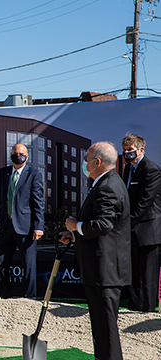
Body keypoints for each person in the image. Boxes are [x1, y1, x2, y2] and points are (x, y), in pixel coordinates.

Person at [64, 142, 131, 360]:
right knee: (101, 330)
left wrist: (77, 226)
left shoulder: (108, 186)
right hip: (101, 270)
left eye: (86, 159)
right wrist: (74, 235)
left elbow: (103, 225)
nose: (84, 163)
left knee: (106, 330)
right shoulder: (105, 183)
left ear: (97, 162)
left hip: (105, 271)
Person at [0, 143, 44, 299]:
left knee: (29, 266)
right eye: (15, 153)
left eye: (21, 153)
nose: (18, 156)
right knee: (1, 263)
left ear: (27, 156)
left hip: (26, 228)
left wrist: (39, 227)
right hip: (5, 227)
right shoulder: (4, 173)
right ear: (11, 154)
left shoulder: (34, 175)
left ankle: (29, 298)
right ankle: (5, 297)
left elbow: (38, 203)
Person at [121, 133, 161, 312]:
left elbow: (145, 202)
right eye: (124, 150)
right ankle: (134, 309)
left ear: (141, 150)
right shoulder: (128, 169)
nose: (127, 153)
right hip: (132, 229)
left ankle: (148, 311)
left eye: (130, 150)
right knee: (134, 273)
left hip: (148, 229)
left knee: (148, 275)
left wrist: (127, 223)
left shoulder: (150, 169)